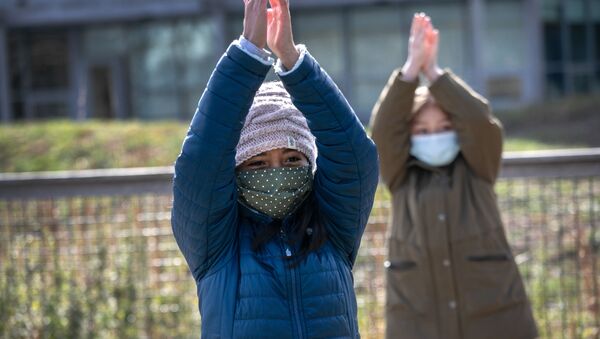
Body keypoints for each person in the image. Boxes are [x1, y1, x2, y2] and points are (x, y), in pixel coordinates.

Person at [170, 0, 379, 337]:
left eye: (292, 159)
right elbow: (202, 163)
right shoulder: (215, 242)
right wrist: (247, 56)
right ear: (235, 172)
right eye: (258, 163)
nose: (276, 171)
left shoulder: (333, 227)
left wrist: (294, 63)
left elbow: (355, 158)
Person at [370, 13, 538, 339]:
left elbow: (478, 121)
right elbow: (384, 129)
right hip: (419, 322)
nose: (435, 135)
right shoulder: (400, 175)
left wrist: (433, 74)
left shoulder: (479, 167)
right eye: (424, 129)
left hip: (493, 320)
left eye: (445, 127)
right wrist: (410, 71)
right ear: (410, 136)